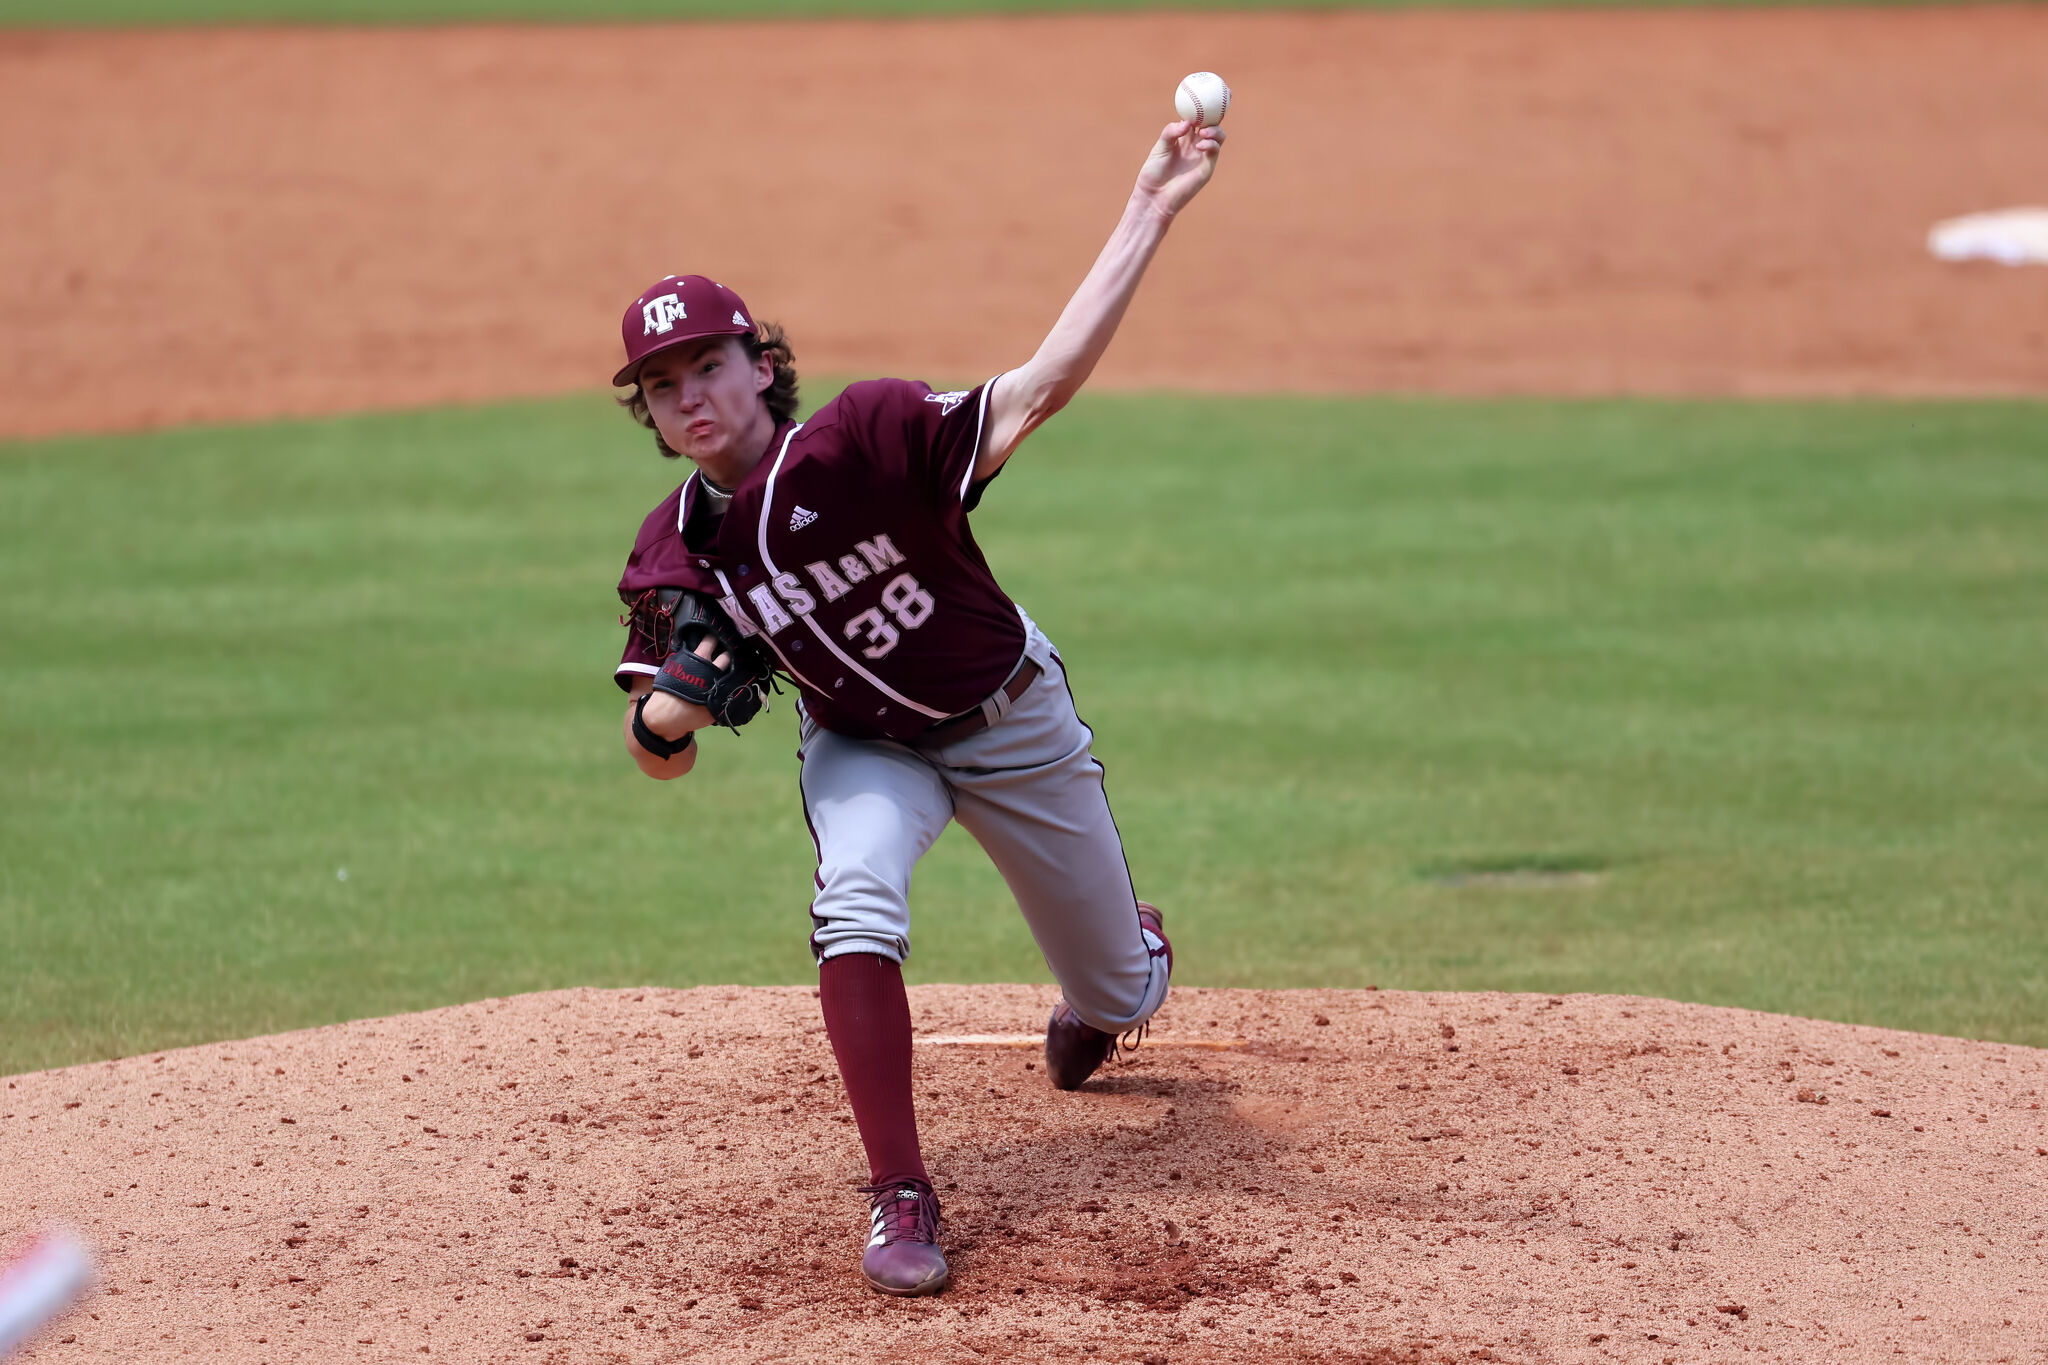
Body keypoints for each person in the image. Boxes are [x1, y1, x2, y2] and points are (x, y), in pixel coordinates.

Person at [608, 114, 1225, 1297]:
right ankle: (899, 1193)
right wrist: (675, 709)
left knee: (1115, 992)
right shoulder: (674, 548)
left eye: (706, 367)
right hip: (863, 749)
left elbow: (1040, 388)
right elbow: (653, 752)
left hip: (1012, 723)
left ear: (758, 365)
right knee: (853, 898)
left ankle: (1124, 963)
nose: (689, 397)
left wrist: (1149, 206)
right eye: (662, 386)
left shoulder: (863, 438)